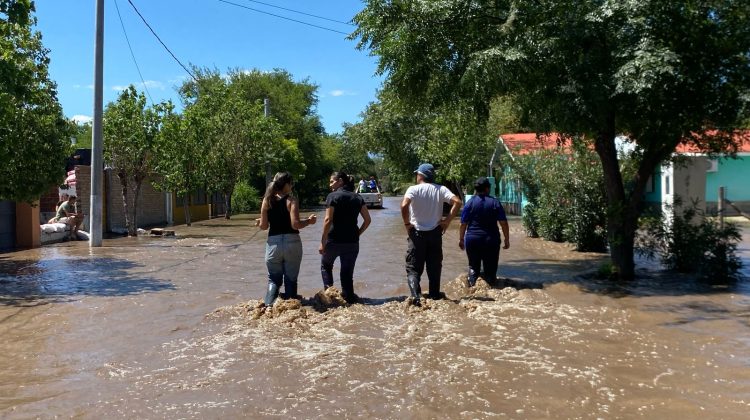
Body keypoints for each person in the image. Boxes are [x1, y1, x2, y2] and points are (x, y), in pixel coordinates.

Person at [401, 163, 462, 306]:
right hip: (435, 233)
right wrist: (447, 221)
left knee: (413, 269)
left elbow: (404, 206)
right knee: (434, 267)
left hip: (416, 234)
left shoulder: (413, 189)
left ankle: (416, 298)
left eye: (417, 174)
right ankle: (434, 296)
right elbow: (458, 202)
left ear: (421, 175)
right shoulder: (441, 189)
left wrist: (407, 224)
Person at [258, 172, 317, 306]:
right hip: (292, 243)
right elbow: (295, 224)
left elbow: (263, 226)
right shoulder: (292, 200)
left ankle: (268, 307)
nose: (292, 186)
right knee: (291, 279)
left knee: (273, 279)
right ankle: (290, 308)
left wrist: (260, 221)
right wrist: (309, 221)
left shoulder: (267, 200)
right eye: (291, 184)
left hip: (273, 244)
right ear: (286, 185)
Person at [319, 171, 372, 303]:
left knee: (326, 266)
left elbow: (327, 220)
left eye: (332, 181)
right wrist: (358, 233)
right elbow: (368, 220)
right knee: (347, 273)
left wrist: (322, 241)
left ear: (341, 181)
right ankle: (349, 299)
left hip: (333, 240)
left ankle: (330, 297)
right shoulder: (357, 198)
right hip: (352, 242)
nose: (330, 184)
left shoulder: (332, 196)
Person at [458, 177, 511, 287]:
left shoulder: (470, 203)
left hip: (472, 240)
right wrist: (507, 239)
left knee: (473, 267)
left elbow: (463, 224)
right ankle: (491, 289)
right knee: (490, 269)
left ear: (476, 189)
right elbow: (503, 223)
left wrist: (461, 239)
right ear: (487, 189)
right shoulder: (494, 202)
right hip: (491, 240)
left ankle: (472, 290)